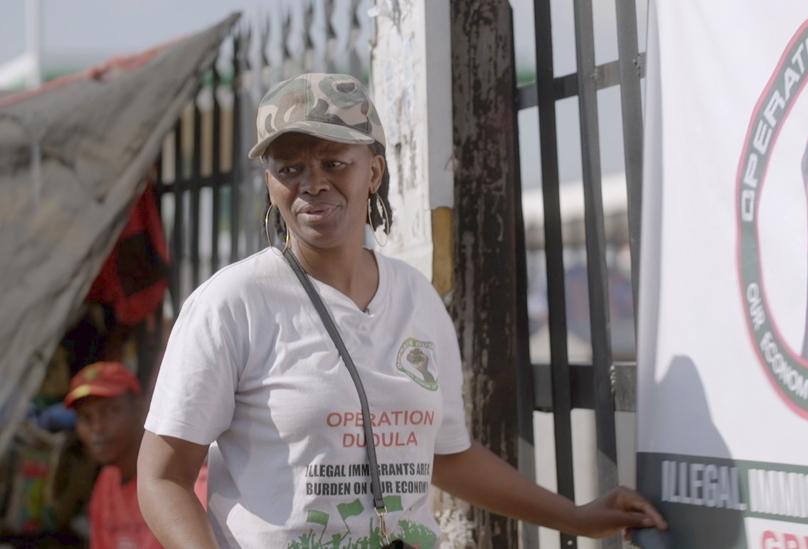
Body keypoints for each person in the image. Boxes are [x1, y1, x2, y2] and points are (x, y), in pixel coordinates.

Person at [137, 73, 667, 548]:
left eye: (334, 162)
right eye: (289, 167)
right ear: (270, 182)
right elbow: (161, 479)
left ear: (374, 172)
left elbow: (447, 455)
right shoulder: (232, 304)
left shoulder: (417, 300)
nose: (312, 183)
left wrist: (575, 518)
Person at [65, 361, 163, 549]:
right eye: (86, 418)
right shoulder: (106, 482)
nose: (97, 428)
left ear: (141, 409)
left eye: (110, 411)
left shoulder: (175, 479)